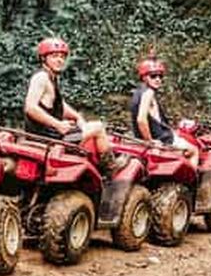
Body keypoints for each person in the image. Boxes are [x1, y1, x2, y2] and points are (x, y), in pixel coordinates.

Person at [24, 37, 124, 176]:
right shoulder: (41, 78)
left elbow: (59, 105)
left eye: (62, 56)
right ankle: (110, 168)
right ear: (43, 58)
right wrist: (58, 124)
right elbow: (30, 107)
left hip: (51, 134)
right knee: (98, 127)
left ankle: (96, 161)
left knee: (83, 127)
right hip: (50, 138)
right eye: (54, 56)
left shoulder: (51, 77)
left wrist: (76, 116)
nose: (59, 60)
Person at [130, 58, 199, 166]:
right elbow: (141, 119)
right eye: (153, 76)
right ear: (144, 77)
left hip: (143, 138)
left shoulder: (137, 92)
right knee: (194, 150)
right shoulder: (148, 93)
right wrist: (150, 141)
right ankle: (194, 182)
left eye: (160, 76)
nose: (158, 79)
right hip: (161, 139)